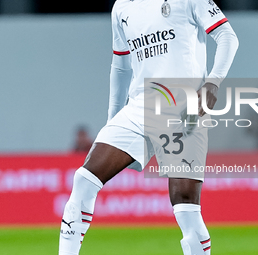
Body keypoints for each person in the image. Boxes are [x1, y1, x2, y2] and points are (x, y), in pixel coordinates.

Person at [59, 0, 238, 254]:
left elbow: (227, 37)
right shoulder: (121, 7)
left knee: (185, 206)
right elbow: (121, 66)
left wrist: (213, 83)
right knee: (84, 180)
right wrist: (113, 119)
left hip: (183, 107)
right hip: (138, 107)